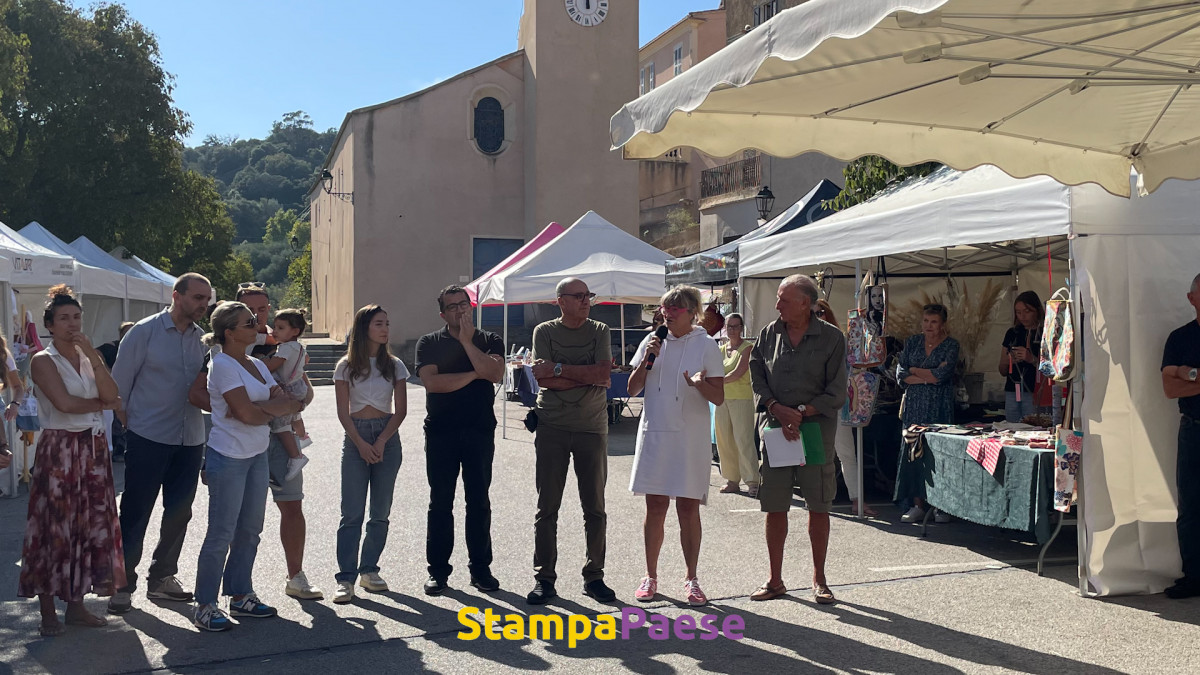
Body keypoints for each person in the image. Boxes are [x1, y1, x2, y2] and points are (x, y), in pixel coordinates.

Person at [19, 285, 124, 636]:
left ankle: (76, 607)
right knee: (55, 528)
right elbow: (64, 404)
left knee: (88, 525)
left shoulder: (87, 357)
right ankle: (48, 612)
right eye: (64, 318)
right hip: (61, 449)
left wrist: (93, 355)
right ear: (49, 324)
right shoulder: (42, 359)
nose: (72, 324)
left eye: (76, 317)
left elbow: (113, 394)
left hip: (92, 448)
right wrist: (103, 405)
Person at [192, 302, 302, 631]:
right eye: (249, 322)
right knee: (221, 533)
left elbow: (293, 401)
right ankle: (205, 603)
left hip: (257, 454)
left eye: (255, 321)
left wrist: (267, 405)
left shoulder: (256, 363)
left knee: (250, 531)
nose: (257, 325)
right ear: (230, 332)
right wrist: (274, 406)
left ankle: (240, 595)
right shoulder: (222, 364)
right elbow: (248, 414)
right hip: (228, 457)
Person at [210, 284, 321, 601]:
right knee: (240, 521)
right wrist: (242, 410)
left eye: (263, 310)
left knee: (292, 506)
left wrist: (277, 406)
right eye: (251, 311)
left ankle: (295, 576)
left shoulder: (282, 346)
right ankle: (239, 589)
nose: (259, 316)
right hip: (241, 444)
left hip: (279, 438)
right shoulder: (223, 353)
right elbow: (202, 394)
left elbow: (305, 393)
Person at [109, 272, 212, 614]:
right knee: (136, 512)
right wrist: (132, 428)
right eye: (198, 297)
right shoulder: (144, 332)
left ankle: (163, 579)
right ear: (176, 295)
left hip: (191, 438)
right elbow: (117, 389)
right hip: (149, 437)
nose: (203, 305)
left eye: (207, 299)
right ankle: (122, 584)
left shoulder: (204, 340)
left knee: (180, 513)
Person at [747, 275, 846, 605]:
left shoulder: (832, 338)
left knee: (818, 505)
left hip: (814, 430)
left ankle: (819, 578)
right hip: (776, 429)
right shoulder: (768, 334)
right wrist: (777, 408)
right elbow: (756, 375)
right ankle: (775, 580)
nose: (777, 306)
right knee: (775, 506)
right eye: (777, 299)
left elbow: (837, 389)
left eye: (784, 300)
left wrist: (801, 412)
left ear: (807, 303)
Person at [627, 286, 724, 606]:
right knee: (655, 506)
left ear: (692, 312)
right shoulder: (652, 340)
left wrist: (699, 384)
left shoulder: (706, 345)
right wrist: (648, 359)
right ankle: (650, 576)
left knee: (687, 508)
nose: (666, 314)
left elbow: (719, 397)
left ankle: (692, 578)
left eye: (674, 309)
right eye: (664, 309)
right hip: (656, 432)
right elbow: (632, 387)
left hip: (689, 437)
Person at [526, 277, 616, 605]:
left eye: (588, 295)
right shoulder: (545, 332)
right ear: (561, 301)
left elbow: (603, 374)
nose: (585, 300)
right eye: (578, 296)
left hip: (591, 428)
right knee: (547, 507)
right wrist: (582, 374)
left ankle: (594, 576)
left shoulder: (599, 331)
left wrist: (559, 370)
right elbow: (541, 377)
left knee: (594, 507)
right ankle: (544, 578)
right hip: (552, 426)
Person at [415, 285, 505, 595]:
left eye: (463, 304)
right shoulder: (429, 343)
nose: (459, 310)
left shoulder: (490, 340)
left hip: (479, 431)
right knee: (440, 502)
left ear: (472, 306)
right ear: (443, 313)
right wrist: (473, 373)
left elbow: (494, 374)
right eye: (452, 306)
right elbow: (433, 384)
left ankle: (480, 569)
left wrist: (468, 344)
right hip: (441, 432)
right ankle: (438, 572)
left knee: (478, 501)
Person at [332, 304, 408, 604]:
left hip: (387, 435)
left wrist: (381, 441)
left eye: (387, 323)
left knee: (380, 512)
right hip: (356, 436)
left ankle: (369, 570)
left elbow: (400, 410)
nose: (385, 328)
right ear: (365, 328)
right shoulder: (345, 366)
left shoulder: (396, 365)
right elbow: (342, 412)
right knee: (351, 512)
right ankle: (345, 578)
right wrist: (362, 444)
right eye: (379, 323)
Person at [897, 303, 961, 524]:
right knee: (914, 451)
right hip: (914, 405)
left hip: (939, 405)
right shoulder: (913, 342)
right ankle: (917, 504)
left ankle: (939, 506)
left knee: (938, 454)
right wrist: (925, 375)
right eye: (926, 321)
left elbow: (942, 375)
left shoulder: (951, 345)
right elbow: (901, 373)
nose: (929, 326)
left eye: (934, 322)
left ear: (942, 324)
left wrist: (916, 371)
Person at [818, 300, 877, 517]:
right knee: (819, 455)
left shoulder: (838, 339)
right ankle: (820, 498)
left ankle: (856, 499)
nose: (818, 316)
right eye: (814, 312)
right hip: (815, 404)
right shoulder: (804, 340)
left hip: (837, 402)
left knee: (846, 453)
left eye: (822, 312)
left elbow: (850, 368)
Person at [1162, 272, 1200, 599]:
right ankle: (1194, 577)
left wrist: (1190, 375)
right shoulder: (1180, 338)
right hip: (1194, 430)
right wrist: (1183, 376)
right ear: (1192, 299)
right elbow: (1169, 387)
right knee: (1190, 505)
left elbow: (1179, 378)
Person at [262, 309, 311, 481]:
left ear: (295, 331)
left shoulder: (285, 347)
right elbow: (305, 361)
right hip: (298, 385)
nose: (275, 331)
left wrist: (260, 361)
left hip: (288, 387)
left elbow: (271, 366)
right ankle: (303, 435)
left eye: (281, 328)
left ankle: (296, 457)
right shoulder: (298, 347)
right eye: (275, 327)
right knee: (294, 416)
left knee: (280, 426)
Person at [714, 312, 758, 496]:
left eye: (736, 326)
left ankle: (752, 481)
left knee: (743, 439)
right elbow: (712, 370)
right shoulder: (721, 349)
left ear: (742, 328)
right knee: (724, 441)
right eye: (729, 326)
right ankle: (732, 480)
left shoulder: (748, 348)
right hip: (721, 399)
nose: (732, 330)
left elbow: (738, 373)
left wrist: (714, 382)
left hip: (742, 398)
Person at [999, 291, 1046, 422]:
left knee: (1032, 426)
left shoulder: (1045, 333)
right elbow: (1002, 370)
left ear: (1036, 310)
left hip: (1035, 391)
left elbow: (1052, 370)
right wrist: (1009, 361)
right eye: (1018, 312)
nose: (1022, 316)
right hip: (1012, 390)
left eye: (1027, 311)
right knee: (1011, 427)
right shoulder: (1012, 333)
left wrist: (1032, 359)